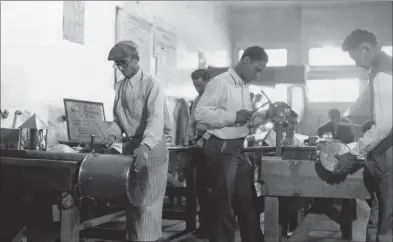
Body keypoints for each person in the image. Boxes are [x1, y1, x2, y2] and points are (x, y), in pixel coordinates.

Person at [194, 46, 268, 242]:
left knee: (247, 202)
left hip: (237, 147)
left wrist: (267, 115)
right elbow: (200, 114)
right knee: (223, 206)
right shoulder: (220, 82)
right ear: (245, 60)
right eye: (257, 69)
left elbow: (246, 122)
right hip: (221, 147)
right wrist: (234, 116)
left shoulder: (243, 85)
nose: (258, 75)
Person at [107, 40, 171, 242]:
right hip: (133, 147)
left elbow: (155, 118)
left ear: (136, 59)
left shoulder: (152, 84)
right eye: (117, 64)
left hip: (151, 147)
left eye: (124, 62)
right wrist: (111, 134)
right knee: (133, 202)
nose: (121, 68)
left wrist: (145, 146)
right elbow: (119, 119)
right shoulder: (120, 86)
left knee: (147, 205)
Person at [334, 29, 392, 242]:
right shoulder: (384, 69)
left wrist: (353, 152)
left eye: (355, 57)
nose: (356, 63)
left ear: (366, 48)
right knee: (378, 214)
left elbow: (384, 126)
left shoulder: (383, 72)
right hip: (383, 152)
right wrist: (373, 122)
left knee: (387, 222)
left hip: (389, 152)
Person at [187, 68, 212, 238]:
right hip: (197, 144)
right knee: (201, 189)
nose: (197, 88)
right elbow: (192, 121)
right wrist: (190, 136)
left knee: (210, 189)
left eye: (200, 85)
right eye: (195, 86)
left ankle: (211, 227)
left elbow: (217, 124)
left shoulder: (215, 99)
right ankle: (203, 225)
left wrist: (204, 139)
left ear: (207, 82)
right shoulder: (196, 100)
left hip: (210, 144)